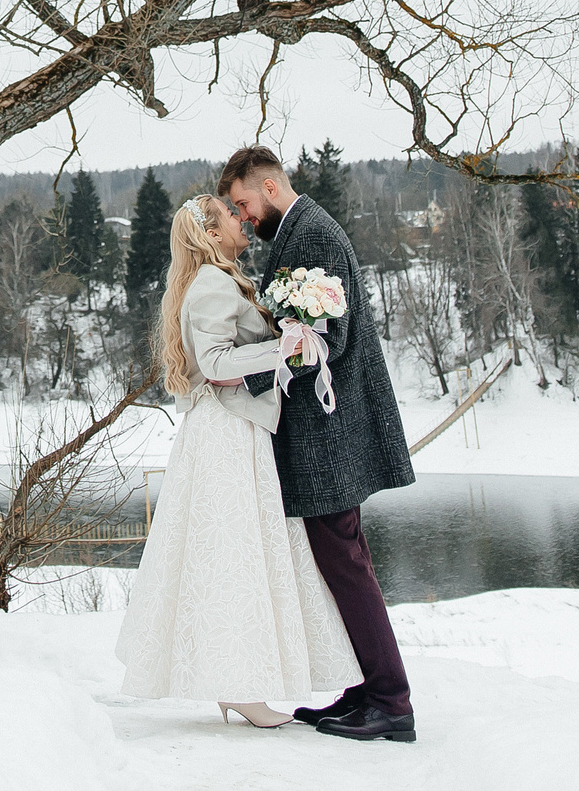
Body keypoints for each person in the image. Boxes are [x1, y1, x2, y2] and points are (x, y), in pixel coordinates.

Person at [113, 193, 360, 726]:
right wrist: (290, 349)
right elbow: (218, 364)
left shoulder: (217, 281)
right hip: (225, 431)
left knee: (237, 554)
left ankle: (239, 684)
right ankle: (240, 687)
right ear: (211, 231)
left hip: (236, 429)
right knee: (233, 553)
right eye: (231, 214)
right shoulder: (209, 284)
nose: (242, 219)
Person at [221, 143, 420, 743]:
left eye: (243, 202)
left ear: (270, 187)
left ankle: (391, 700)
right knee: (340, 557)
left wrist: (238, 373)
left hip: (334, 429)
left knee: (346, 559)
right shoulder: (301, 234)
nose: (243, 217)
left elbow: (316, 342)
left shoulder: (313, 237)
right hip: (329, 429)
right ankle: (367, 689)